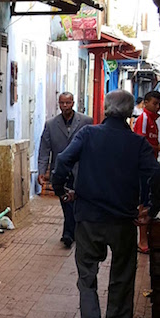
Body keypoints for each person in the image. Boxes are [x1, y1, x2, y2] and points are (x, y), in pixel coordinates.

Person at [51, 89, 160, 318]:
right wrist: (152, 208)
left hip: (88, 218)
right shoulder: (137, 143)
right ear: (129, 113)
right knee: (122, 276)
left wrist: (61, 190)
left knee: (87, 277)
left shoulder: (88, 134)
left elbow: (63, 161)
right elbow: (158, 176)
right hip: (123, 221)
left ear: (105, 109)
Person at [37, 92, 92, 248]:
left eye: (68, 103)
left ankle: (70, 232)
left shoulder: (86, 121)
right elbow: (44, 149)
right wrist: (42, 170)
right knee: (65, 200)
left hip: (80, 169)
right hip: (60, 170)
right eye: (62, 103)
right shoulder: (51, 124)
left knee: (76, 201)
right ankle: (69, 232)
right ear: (58, 104)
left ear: (73, 103)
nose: (65, 106)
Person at [132, 91, 160, 252]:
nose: (157, 107)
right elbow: (140, 142)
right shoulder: (144, 119)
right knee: (144, 201)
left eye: (159, 104)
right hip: (143, 166)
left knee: (147, 200)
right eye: (154, 103)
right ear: (145, 103)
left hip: (149, 164)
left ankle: (144, 238)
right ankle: (142, 240)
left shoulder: (153, 120)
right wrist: (157, 147)